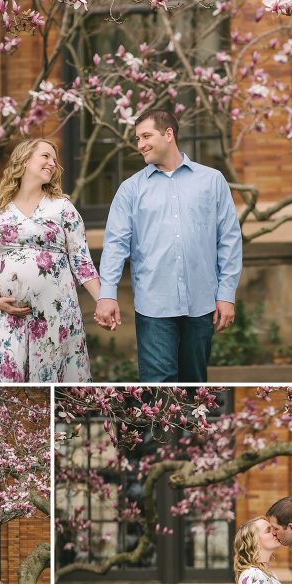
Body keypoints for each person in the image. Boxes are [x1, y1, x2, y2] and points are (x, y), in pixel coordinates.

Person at [94, 109, 242, 382]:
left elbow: (229, 240)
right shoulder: (131, 189)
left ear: (169, 134)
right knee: (158, 388)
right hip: (154, 306)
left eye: (146, 136)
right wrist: (107, 294)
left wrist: (226, 294)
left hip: (202, 302)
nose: (140, 145)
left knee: (194, 386)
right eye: (137, 139)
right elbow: (115, 244)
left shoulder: (211, 181)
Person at [0, 138, 100, 382]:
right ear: (24, 160)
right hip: (7, 315)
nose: (52, 163)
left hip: (56, 314)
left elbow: (82, 261)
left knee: (49, 383)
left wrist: (103, 301)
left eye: (54, 159)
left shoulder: (63, 208)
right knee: (4, 381)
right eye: (45, 156)